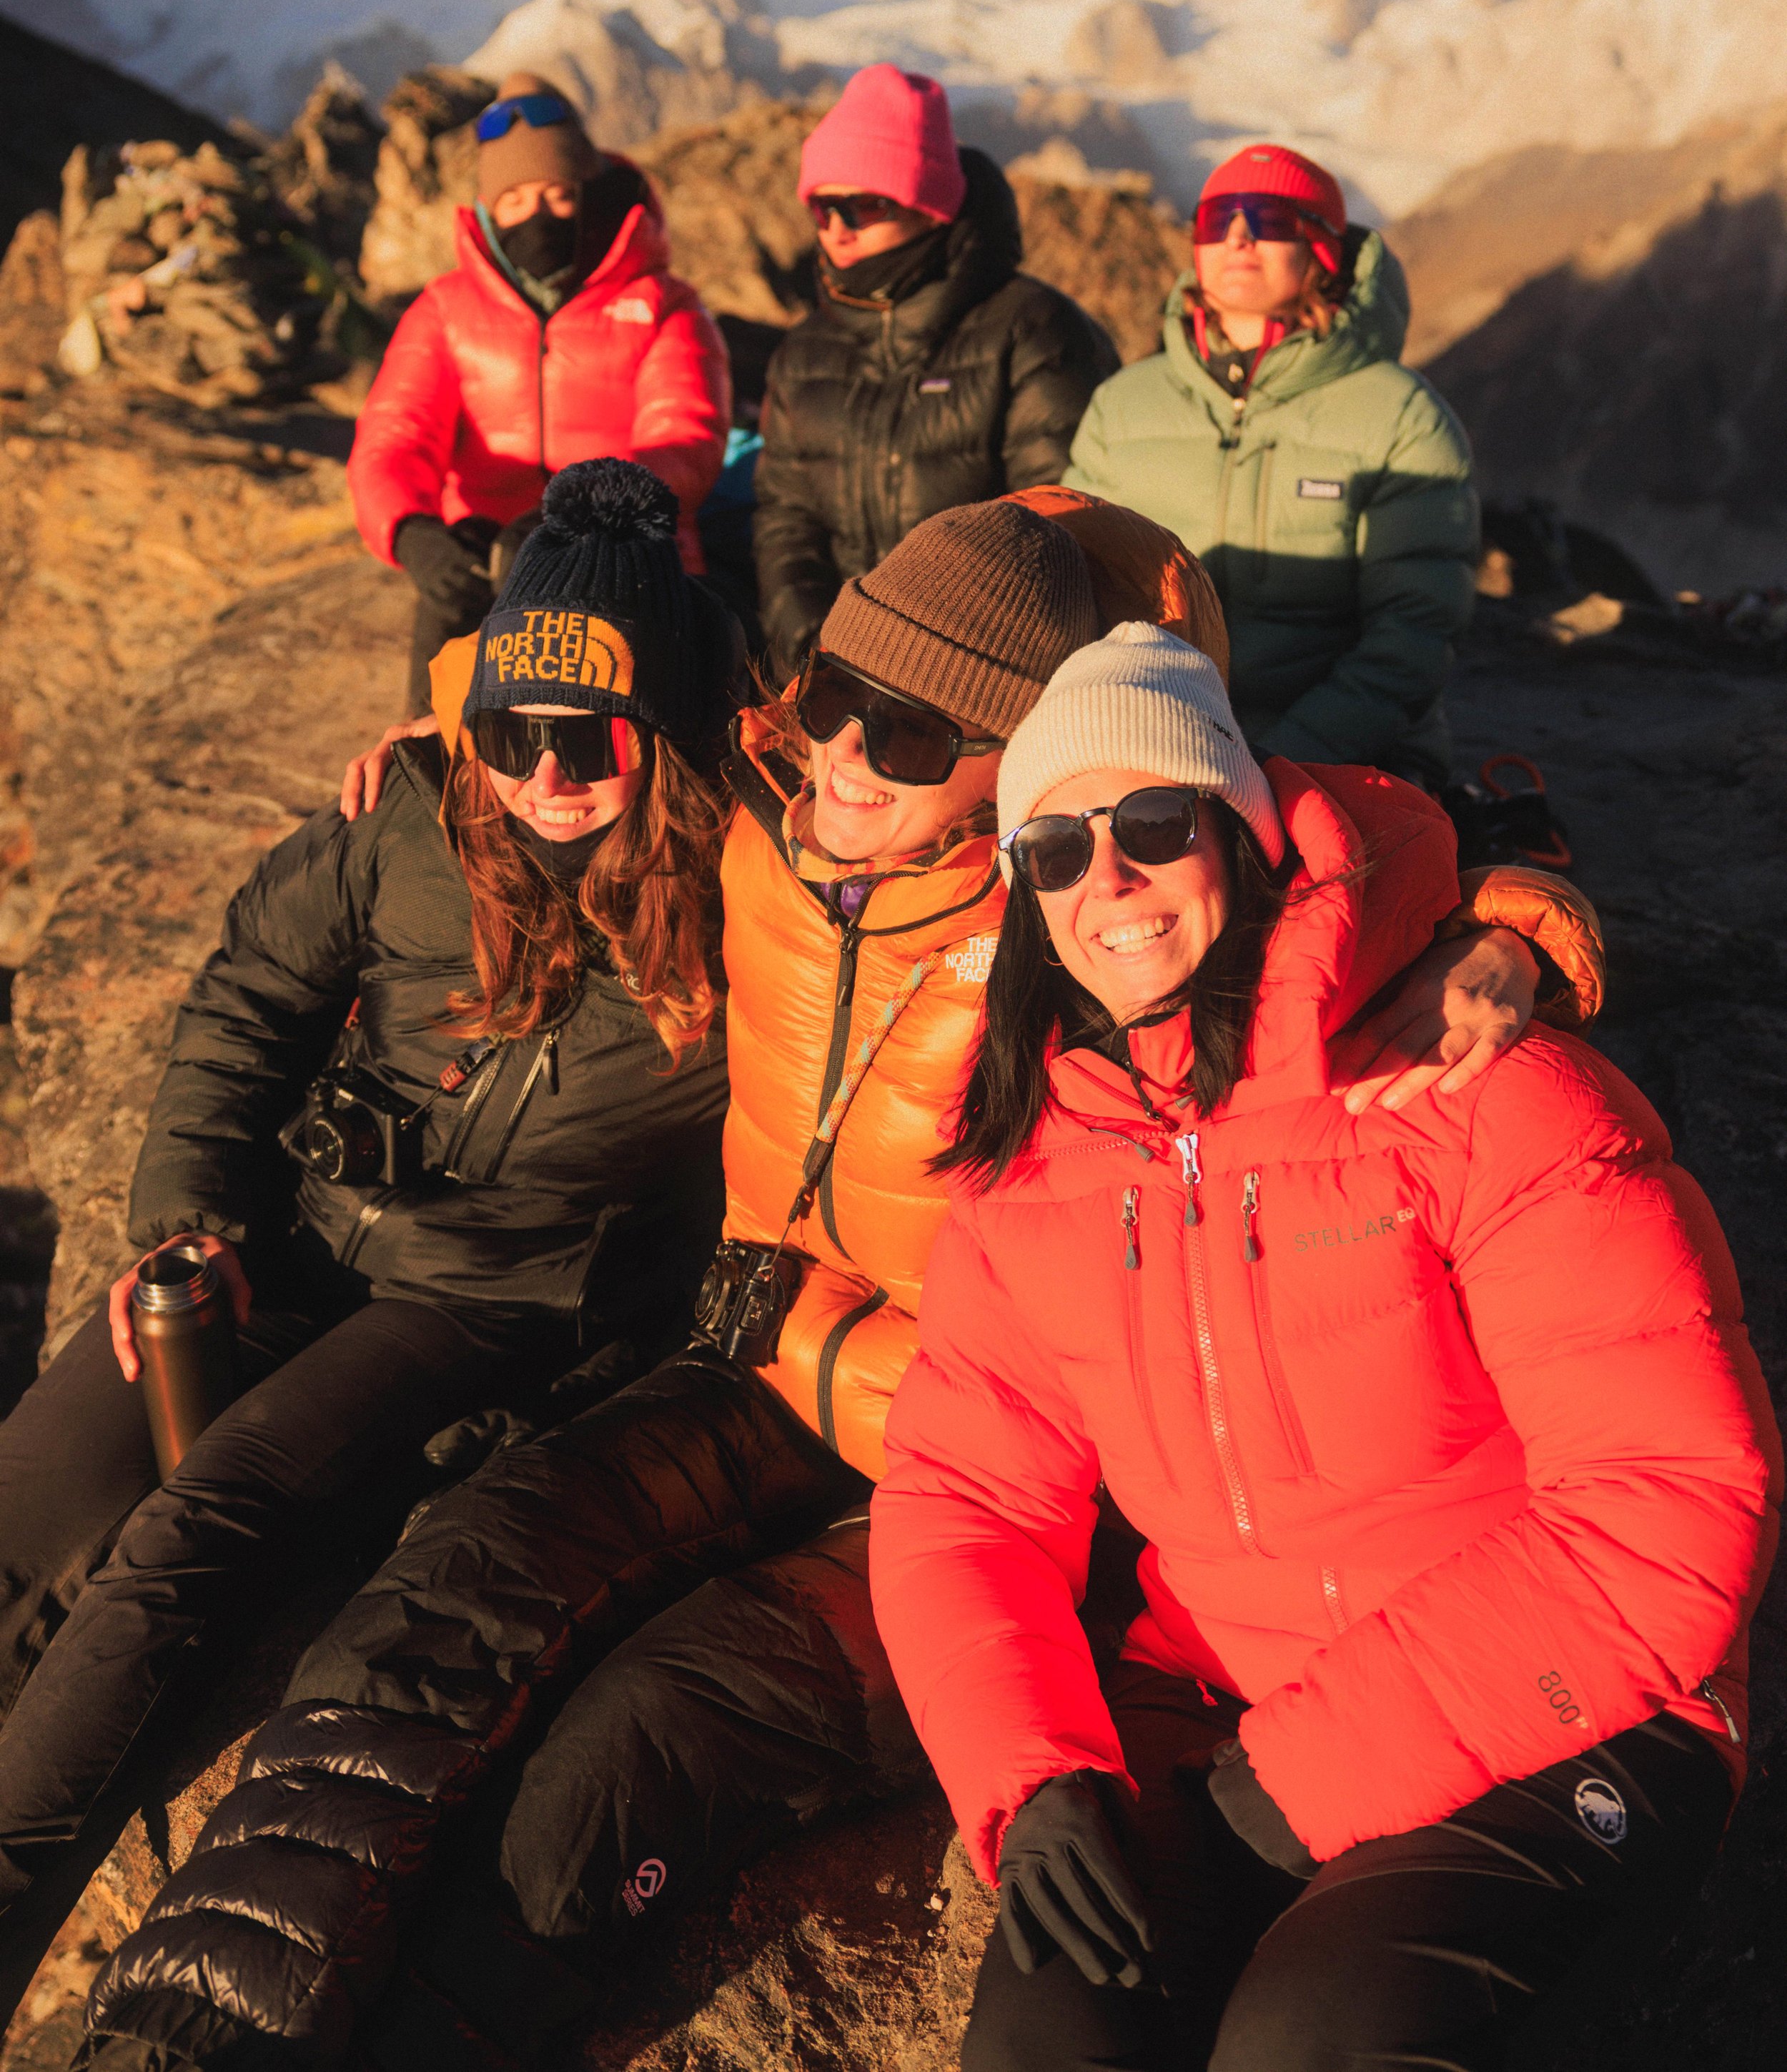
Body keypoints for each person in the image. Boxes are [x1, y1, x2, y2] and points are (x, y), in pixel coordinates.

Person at [81, 500, 1602, 2071]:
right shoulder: (761, 807)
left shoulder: (1081, 907)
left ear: (1019, 766)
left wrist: (1505, 923)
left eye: (913, 727)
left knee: (646, 1733)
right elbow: (609, 714)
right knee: (454, 1582)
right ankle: (180, 2038)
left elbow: (1358, 838)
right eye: (832, 696)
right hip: (746, 1374)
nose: (847, 753)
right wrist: (455, 727)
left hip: (959, 1465)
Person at [869, 621, 1781, 2072]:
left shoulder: (1475, 1087)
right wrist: (1030, 1772)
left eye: (1149, 823)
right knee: (1053, 2042)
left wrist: (1298, 1778)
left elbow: (1659, 1500)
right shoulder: (1033, 1161)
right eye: (1050, 845)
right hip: (1224, 1708)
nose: (1102, 879)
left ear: (1237, 830)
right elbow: (960, 1497)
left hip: (1564, 1709)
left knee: (1312, 2041)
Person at [0, 460, 736, 1996]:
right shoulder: (412, 814)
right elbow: (254, 990)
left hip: (485, 1301)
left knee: (198, 1524)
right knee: (46, 1475)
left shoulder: (743, 909)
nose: (542, 770)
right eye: (507, 729)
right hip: (300, 1227)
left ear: (660, 729)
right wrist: (191, 1212)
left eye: (585, 735)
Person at [1065, 142, 1477, 782]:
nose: (1237, 239)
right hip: (1143, 742)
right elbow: (1069, 589)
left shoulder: (1401, 417)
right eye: (1216, 220)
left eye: (1270, 221)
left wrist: (1277, 763)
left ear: (1322, 251)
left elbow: (1412, 638)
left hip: (1339, 758)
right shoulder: (1124, 406)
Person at [348, 70, 733, 706]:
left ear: (591, 195)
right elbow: (394, 435)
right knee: (442, 756)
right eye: (516, 198)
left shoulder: (664, 306)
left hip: (627, 564)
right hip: (480, 569)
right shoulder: (445, 310)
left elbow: (685, 442)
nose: (538, 215)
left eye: (558, 193)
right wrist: (412, 531)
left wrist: (575, 515)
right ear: (488, 211)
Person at [753, 65, 1119, 679]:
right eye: (822, 208)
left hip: (982, 680)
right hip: (832, 673)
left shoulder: (1032, 330)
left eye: (865, 205)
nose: (838, 229)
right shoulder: (805, 352)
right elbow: (786, 522)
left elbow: (1059, 525)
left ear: (930, 205)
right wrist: (817, 660)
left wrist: (926, 672)